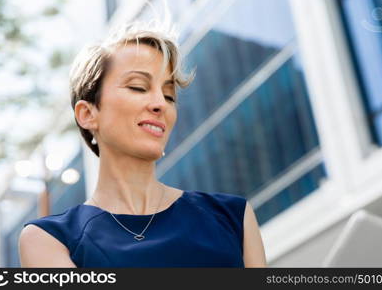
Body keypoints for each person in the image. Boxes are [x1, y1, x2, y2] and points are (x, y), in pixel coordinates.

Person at [19, 20, 267, 268]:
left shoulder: (233, 217)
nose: (161, 103)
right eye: (138, 87)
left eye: (169, 95)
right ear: (87, 114)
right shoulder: (48, 239)